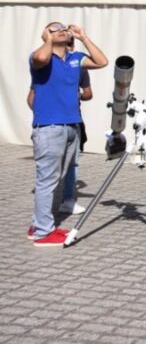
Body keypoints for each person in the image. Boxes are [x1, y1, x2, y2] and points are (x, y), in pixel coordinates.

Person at [28, 22, 108, 246]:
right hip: (49, 128)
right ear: (45, 34)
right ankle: (43, 233)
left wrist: (84, 36)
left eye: (64, 27)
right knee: (47, 181)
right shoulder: (39, 57)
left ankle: (37, 225)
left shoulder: (75, 59)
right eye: (54, 28)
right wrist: (48, 40)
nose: (61, 29)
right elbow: (42, 59)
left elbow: (102, 62)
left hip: (72, 125)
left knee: (59, 176)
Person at [27, 36, 93, 216]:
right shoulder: (43, 61)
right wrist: (46, 111)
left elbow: (90, 88)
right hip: (50, 125)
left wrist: (73, 96)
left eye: (70, 43)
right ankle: (42, 227)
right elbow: (32, 97)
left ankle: (67, 201)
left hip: (73, 121)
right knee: (48, 177)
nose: (69, 47)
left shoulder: (77, 63)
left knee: (72, 165)